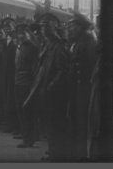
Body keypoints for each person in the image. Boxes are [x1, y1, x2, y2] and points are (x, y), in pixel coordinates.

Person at [24, 13, 70, 162]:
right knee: (47, 122)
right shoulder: (47, 45)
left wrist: (51, 87)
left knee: (54, 123)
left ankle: (55, 153)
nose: (43, 29)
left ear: (54, 27)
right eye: (42, 26)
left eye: (46, 26)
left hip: (52, 93)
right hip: (42, 89)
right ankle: (52, 151)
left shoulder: (58, 46)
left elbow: (62, 71)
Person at [67, 13, 98, 161]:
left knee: (81, 121)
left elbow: (88, 68)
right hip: (77, 88)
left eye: (72, 26)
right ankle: (77, 153)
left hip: (83, 89)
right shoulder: (80, 41)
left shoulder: (88, 42)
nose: (69, 29)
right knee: (77, 120)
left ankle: (81, 156)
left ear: (81, 27)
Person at [14, 24, 38, 148]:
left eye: (24, 33)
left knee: (27, 110)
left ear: (29, 34)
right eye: (19, 33)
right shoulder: (20, 46)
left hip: (26, 82)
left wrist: (31, 82)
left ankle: (29, 139)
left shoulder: (32, 47)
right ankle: (25, 135)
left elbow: (35, 67)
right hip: (18, 80)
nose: (21, 35)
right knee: (20, 109)